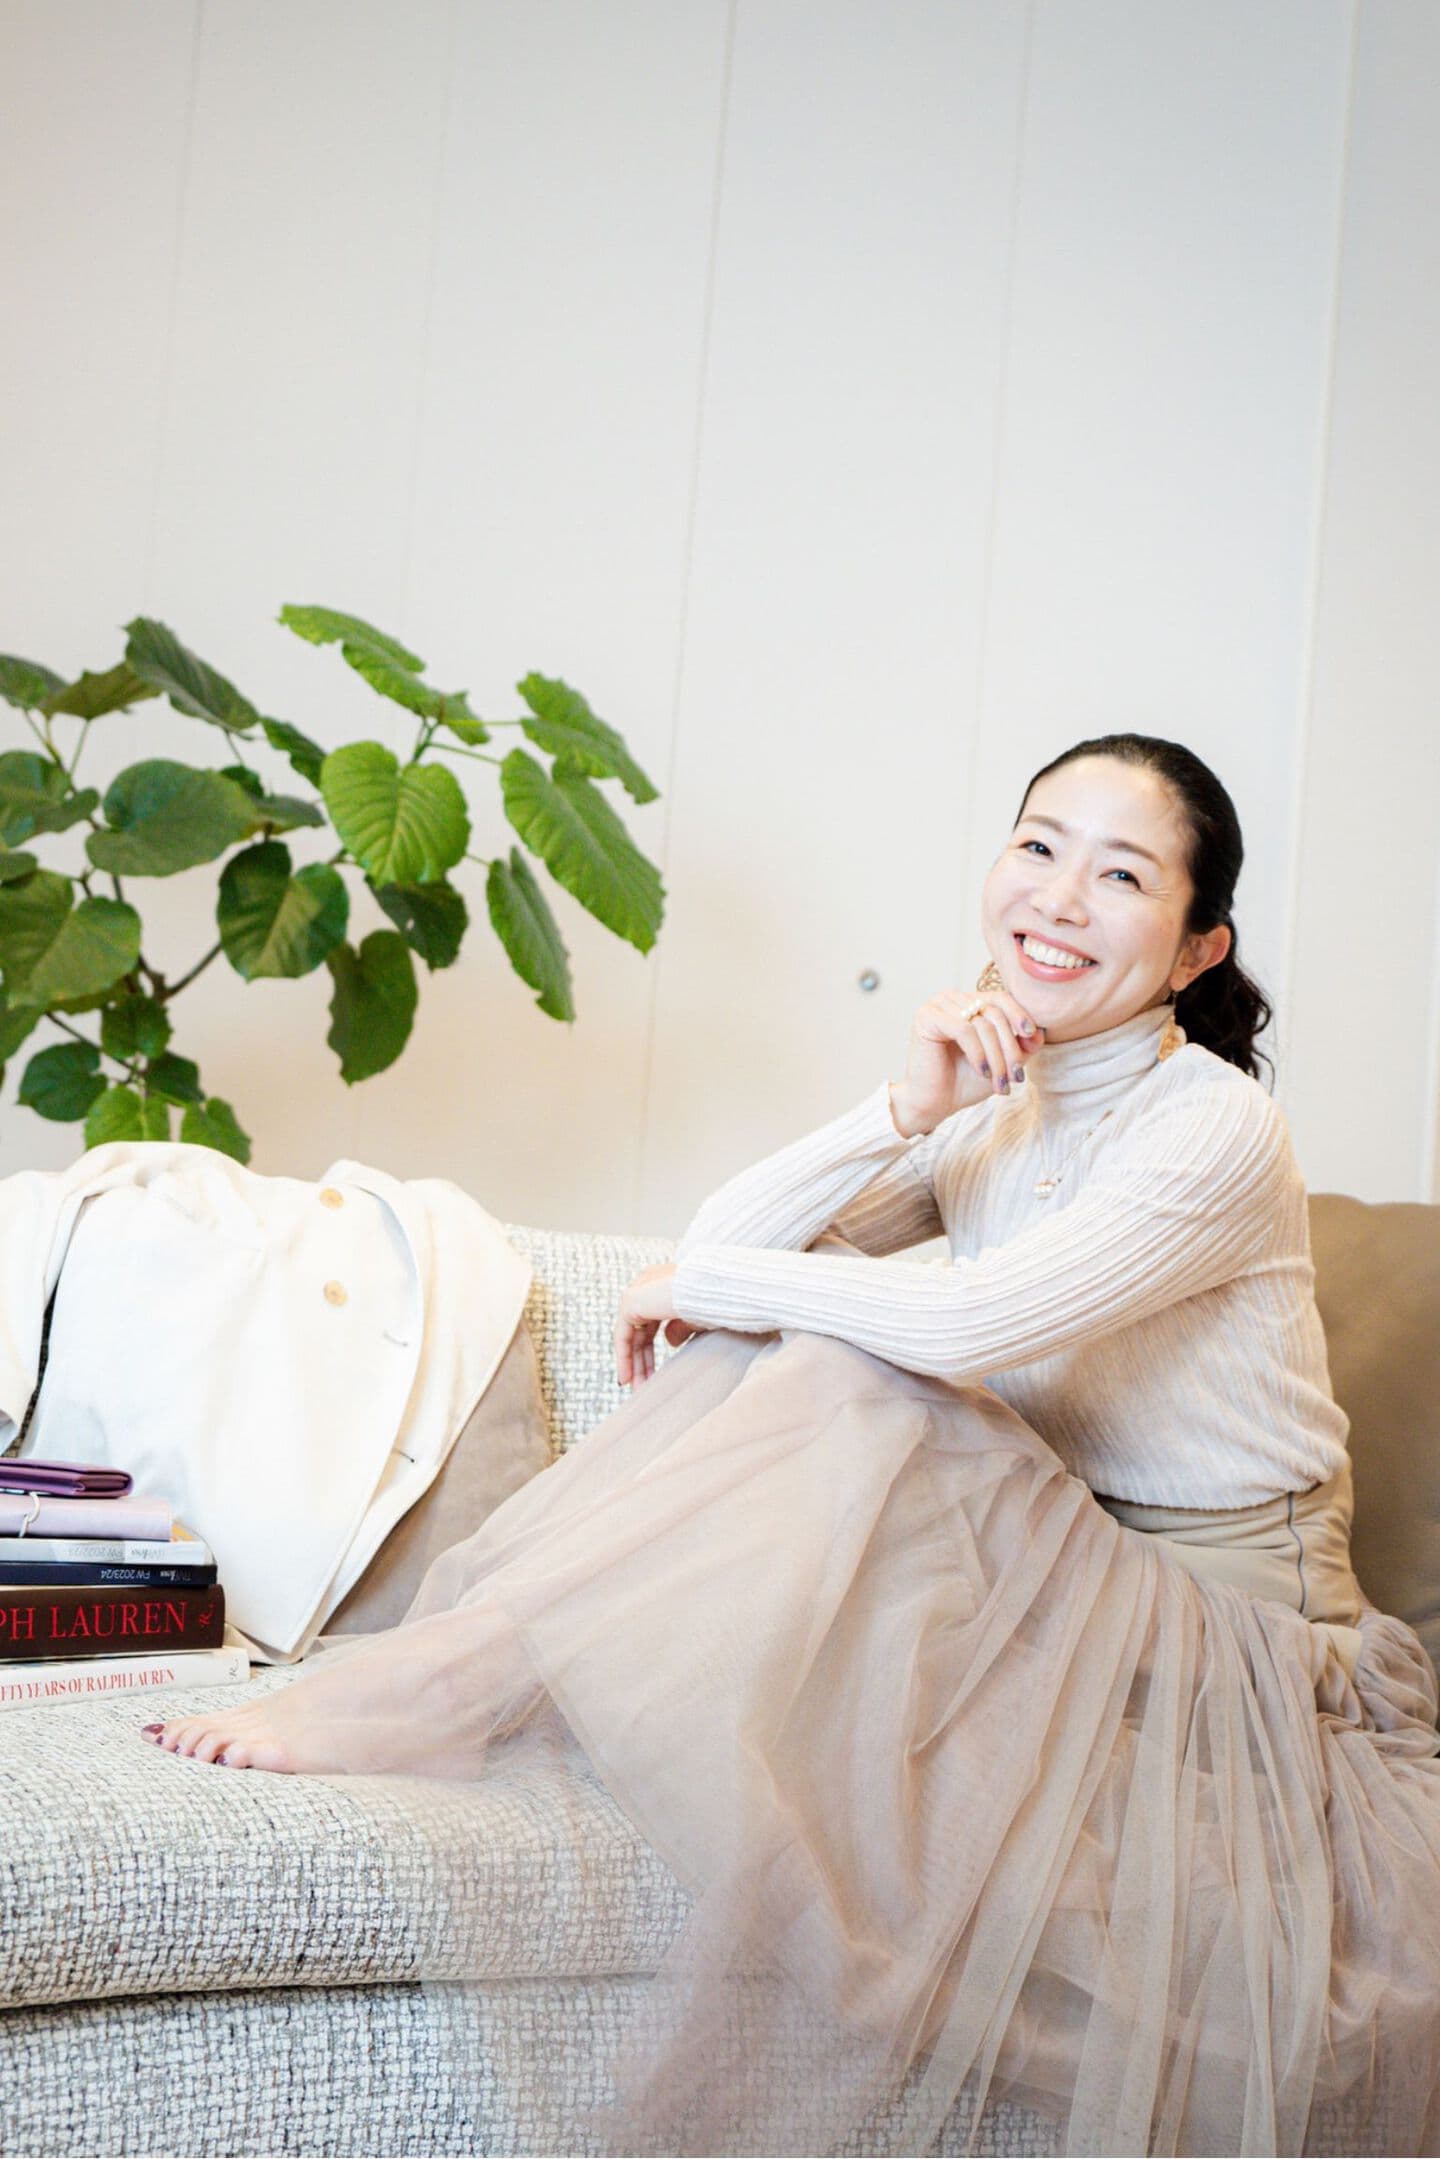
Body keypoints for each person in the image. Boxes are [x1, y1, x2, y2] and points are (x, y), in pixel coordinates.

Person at [141, 734, 1440, 2158]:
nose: (1060, 897)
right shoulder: (990, 1116)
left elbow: (963, 1319)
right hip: (1065, 1593)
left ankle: (456, 1680)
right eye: (1038, 845)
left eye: (1122, 876)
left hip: (1233, 1649)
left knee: (842, 1362)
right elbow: (722, 1251)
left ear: (1198, 949)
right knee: (792, 1343)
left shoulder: (1219, 1128)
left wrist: (716, 1288)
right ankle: (481, 1674)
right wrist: (903, 1110)